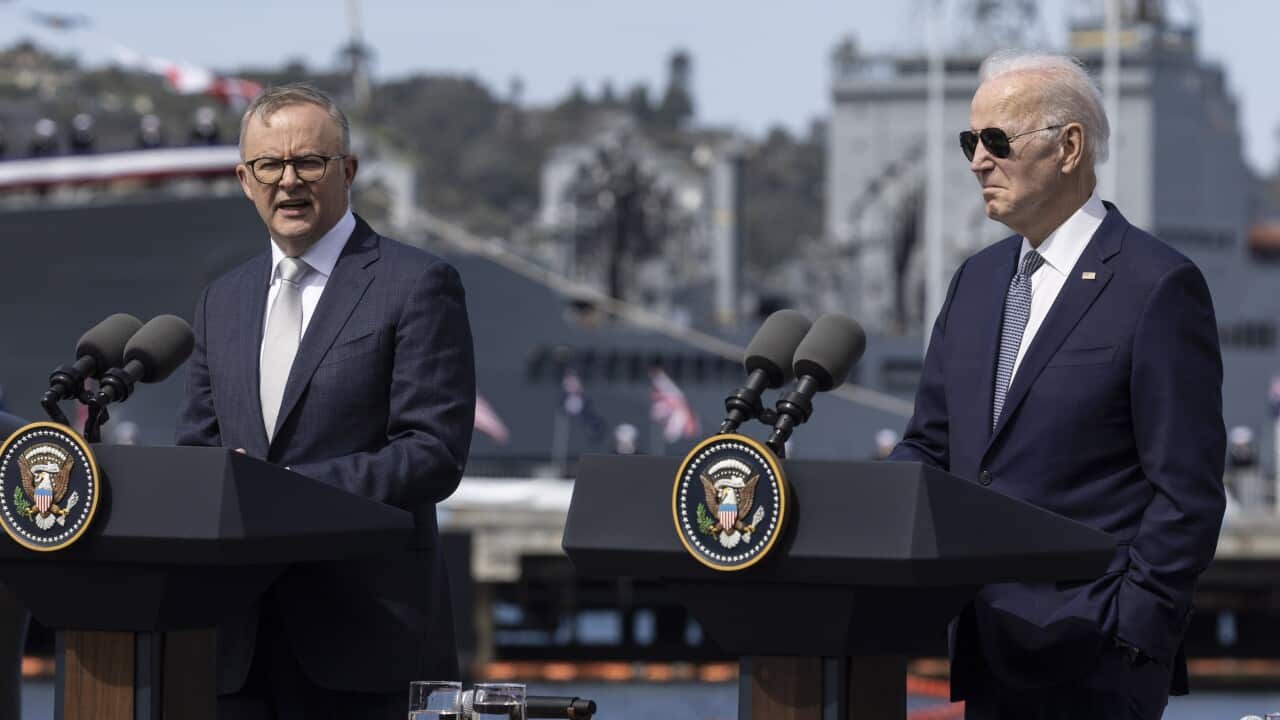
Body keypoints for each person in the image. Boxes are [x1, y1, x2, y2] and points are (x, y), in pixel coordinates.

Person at [890, 51, 1225, 719]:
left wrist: (1134, 636)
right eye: (969, 142)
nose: (978, 161)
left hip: (1097, 658)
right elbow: (928, 449)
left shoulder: (1156, 285)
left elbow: (1186, 493)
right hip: (986, 650)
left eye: (997, 141)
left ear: (1069, 147)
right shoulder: (976, 284)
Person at [175, 83, 476, 720]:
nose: (289, 181)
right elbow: (198, 451)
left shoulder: (418, 284)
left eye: (308, 162)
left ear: (348, 171)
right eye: (269, 166)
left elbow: (433, 453)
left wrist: (284, 489)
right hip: (238, 646)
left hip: (367, 639)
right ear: (244, 179)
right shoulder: (219, 302)